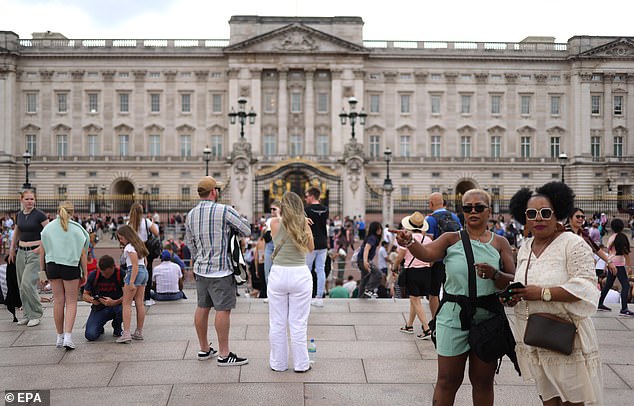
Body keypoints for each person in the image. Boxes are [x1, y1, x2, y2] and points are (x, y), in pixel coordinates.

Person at [395, 189, 516, 405]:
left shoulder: (500, 243)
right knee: (447, 380)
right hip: (453, 316)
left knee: (483, 381)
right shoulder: (451, 239)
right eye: (467, 208)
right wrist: (410, 243)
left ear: (489, 211)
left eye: (479, 207)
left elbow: (512, 278)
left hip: (488, 317)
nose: (473, 211)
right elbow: (427, 253)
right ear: (462, 212)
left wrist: (495, 274)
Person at [507, 182, 603, 405]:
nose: (538, 218)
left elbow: (586, 287)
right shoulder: (525, 247)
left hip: (569, 340)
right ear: (525, 218)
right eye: (532, 213)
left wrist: (541, 293)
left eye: (545, 212)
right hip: (536, 338)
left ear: (557, 213)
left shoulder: (573, 244)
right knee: (549, 401)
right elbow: (525, 283)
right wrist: (515, 294)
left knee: (573, 401)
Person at [185, 176, 251, 366]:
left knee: (202, 307)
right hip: (221, 270)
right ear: (214, 191)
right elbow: (246, 229)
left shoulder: (191, 214)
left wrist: (200, 258)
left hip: (201, 269)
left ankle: (204, 348)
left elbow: (190, 243)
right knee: (223, 310)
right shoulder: (224, 210)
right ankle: (224, 354)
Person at [268, 191, 314, 372]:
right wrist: (306, 225)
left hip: (278, 273)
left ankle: (278, 364)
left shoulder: (273, 223)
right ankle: (301, 364)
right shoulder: (304, 224)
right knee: (298, 323)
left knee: (277, 322)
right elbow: (311, 249)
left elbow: (279, 225)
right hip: (299, 274)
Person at [40, 201, 89, 349]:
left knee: (58, 301)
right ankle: (68, 336)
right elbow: (82, 254)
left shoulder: (48, 228)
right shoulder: (77, 229)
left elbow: (42, 252)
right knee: (71, 301)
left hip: (52, 266)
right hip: (70, 265)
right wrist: (85, 273)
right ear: (72, 212)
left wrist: (42, 274)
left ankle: (59, 337)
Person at [7, 189, 49, 327]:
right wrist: (12, 249)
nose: (30, 201)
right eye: (27, 199)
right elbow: (16, 232)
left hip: (35, 253)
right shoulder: (19, 215)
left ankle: (36, 313)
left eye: (32, 199)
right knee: (21, 286)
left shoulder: (39, 215)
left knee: (27, 283)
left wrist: (41, 247)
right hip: (21, 252)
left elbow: (49, 233)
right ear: (22, 200)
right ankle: (27, 314)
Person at [394, 211, 433, 340]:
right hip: (426, 271)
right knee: (414, 299)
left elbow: (400, 256)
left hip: (413, 272)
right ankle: (409, 325)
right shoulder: (427, 239)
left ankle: (427, 328)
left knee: (415, 300)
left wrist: (394, 268)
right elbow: (431, 256)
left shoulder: (408, 238)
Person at [424, 192, 462, 318]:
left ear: (431, 204)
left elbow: (429, 242)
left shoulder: (430, 219)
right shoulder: (454, 217)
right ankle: (449, 317)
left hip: (437, 261)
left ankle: (436, 321)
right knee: (449, 291)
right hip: (453, 260)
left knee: (433, 294)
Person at [115, 225, 149, 343]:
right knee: (139, 303)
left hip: (134, 272)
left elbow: (134, 265)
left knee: (127, 304)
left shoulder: (129, 247)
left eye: (121, 238)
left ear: (127, 236)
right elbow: (145, 261)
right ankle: (138, 331)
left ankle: (126, 333)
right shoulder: (139, 246)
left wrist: (131, 282)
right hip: (144, 272)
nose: (120, 240)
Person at [83, 255, 124, 341]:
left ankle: (117, 326)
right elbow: (85, 295)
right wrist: (92, 300)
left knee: (124, 309)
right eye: (103, 273)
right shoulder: (94, 275)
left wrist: (114, 302)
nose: (105, 276)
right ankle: (99, 326)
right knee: (90, 335)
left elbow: (128, 296)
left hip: (116, 306)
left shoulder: (121, 274)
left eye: (108, 273)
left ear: (113, 267)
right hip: (99, 308)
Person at [597, 218, 633, 315]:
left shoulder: (611, 237)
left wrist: (606, 264)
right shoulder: (622, 237)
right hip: (618, 264)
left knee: (608, 285)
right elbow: (626, 253)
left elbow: (609, 252)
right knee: (625, 285)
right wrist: (629, 267)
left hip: (611, 262)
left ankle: (600, 303)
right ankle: (624, 308)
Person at [128, 202, 160, 307]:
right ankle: (146, 298)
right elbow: (156, 233)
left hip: (133, 248)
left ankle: (133, 298)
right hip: (145, 249)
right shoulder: (146, 222)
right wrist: (153, 223)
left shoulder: (129, 223)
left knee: (133, 272)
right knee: (148, 273)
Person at [567, 207, 615, 275]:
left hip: (582, 270)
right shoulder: (564, 232)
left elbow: (596, 249)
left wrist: (609, 261)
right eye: (578, 217)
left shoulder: (584, 234)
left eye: (582, 217)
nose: (580, 219)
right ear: (570, 218)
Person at [304, 187, 329, 307]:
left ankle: (306, 295)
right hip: (323, 242)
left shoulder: (307, 210)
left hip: (311, 243)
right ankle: (319, 297)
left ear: (312, 196)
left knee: (307, 269)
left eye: (307, 196)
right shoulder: (325, 209)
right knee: (320, 270)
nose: (306, 198)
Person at [357, 222, 384, 298]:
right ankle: (369, 290)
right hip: (364, 260)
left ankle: (361, 297)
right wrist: (366, 261)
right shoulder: (372, 238)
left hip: (362, 260)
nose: (380, 230)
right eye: (378, 229)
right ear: (374, 229)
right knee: (378, 274)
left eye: (380, 228)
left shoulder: (371, 237)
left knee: (364, 279)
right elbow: (366, 248)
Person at [262, 200, 281, 300]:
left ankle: (277, 294)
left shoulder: (282, 219)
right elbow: (265, 236)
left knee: (277, 271)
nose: (272, 211)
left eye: (274, 209)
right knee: (267, 270)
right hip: (269, 245)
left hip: (278, 246)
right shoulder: (269, 220)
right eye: (271, 209)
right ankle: (270, 294)